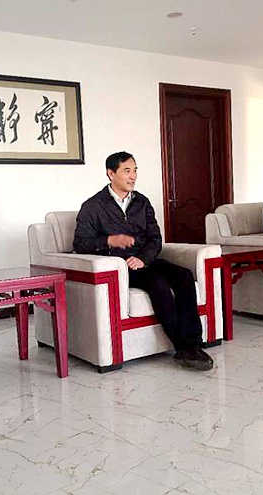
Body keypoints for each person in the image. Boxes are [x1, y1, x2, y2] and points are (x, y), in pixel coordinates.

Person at [73, 151, 213, 371]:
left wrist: (143, 258)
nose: (133, 176)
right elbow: (80, 244)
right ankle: (185, 347)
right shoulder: (93, 206)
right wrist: (109, 240)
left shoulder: (142, 202)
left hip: (145, 260)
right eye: (127, 171)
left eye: (135, 170)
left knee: (184, 276)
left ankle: (193, 343)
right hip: (120, 267)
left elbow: (155, 238)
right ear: (111, 174)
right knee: (158, 284)